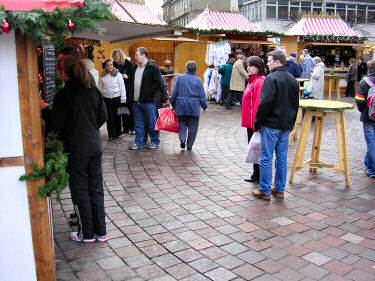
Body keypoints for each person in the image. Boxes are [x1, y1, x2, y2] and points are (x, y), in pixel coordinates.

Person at [52, 55, 108, 242]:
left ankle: (87, 233)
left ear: (63, 73)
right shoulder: (93, 91)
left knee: (80, 190)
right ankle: (101, 232)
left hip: (76, 148)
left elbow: (56, 124)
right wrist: (90, 127)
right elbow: (103, 116)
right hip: (94, 144)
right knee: (95, 188)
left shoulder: (63, 95)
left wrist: (45, 110)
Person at [252, 50, 299, 200]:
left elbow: (264, 103)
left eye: (270, 60)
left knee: (266, 157)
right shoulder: (293, 80)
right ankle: (279, 188)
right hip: (285, 124)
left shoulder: (271, 78)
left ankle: (265, 189)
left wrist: (258, 122)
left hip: (271, 123)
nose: (267, 63)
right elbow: (295, 104)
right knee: (281, 157)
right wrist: (291, 122)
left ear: (277, 62)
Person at [170, 61, 208, 151]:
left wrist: (173, 103)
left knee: (182, 123)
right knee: (193, 127)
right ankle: (189, 145)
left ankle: (182, 139)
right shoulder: (198, 81)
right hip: (194, 107)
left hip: (181, 105)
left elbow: (174, 92)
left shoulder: (179, 78)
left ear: (186, 68)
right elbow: (202, 95)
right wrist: (204, 106)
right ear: (195, 70)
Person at [129, 47, 161, 150]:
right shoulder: (134, 68)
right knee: (138, 123)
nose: (135, 57)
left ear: (143, 55)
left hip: (148, 101)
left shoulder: (153, 68)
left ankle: (155, 141)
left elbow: (157, 83)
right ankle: (138, 142)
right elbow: (131, 82)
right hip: (136, 100)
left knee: (151, 122)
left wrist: (148, 93)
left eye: (137, 55)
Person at [241, 56, 266, 183]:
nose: (248, 68)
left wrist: (257, 123)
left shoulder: (259, 82)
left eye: (250, 66)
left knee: (256, 149)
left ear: (258, 67)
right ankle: (256, 174)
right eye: (247, 65)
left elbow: (258, 103)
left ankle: (258, 175)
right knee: (253, 149)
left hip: (254, 123)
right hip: (250, 122)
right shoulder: (252, 81)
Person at [355, 59, 375, 179]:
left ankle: (373, 169)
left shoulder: (364, 82)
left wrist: (364, 110)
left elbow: (359, 100)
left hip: (368, 117)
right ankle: (368, 163)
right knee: (372, 142)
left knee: (371, 142)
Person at [99, 60, 126, 141]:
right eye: (108, 65)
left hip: (116, 98)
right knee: (109, 117)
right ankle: (111, 134)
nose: (110, 66)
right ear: (105, 67)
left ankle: (118, 132)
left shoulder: (118, 74)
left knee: (117, 116)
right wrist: (100, 97)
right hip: (107, 98)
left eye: (111, 65)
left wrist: (123, 98)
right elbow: (100, 87)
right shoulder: (103, 75)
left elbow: (122, 86)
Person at [143, 59, 169, 144]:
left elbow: (163, 88)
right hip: (149, 101)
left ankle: (152, 137)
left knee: (153, 120)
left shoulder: (158, 77)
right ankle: (146, 136)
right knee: (148, 119)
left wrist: (164, 99)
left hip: (156, 101)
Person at [112, 49, 135, 135]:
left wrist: (127, 76)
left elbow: (133, 77)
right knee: (122, 109)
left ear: (120, 56)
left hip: (127, 90)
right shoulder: (113, 65)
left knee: (129, 109)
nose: (114, 58)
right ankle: (125, 128)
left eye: (116, 56)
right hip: (117, 91)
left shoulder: (129, 64)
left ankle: (132, 127)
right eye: (113, 56)